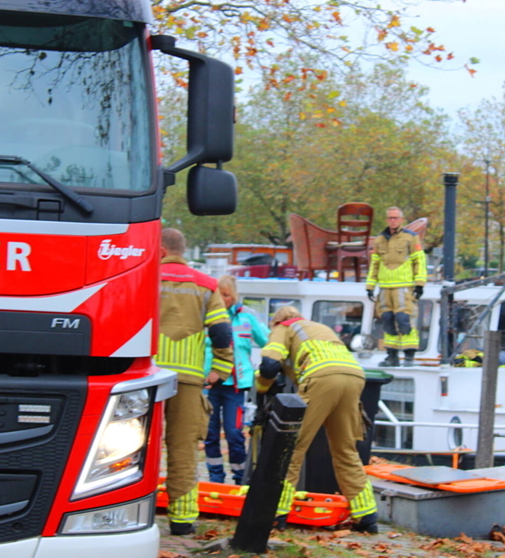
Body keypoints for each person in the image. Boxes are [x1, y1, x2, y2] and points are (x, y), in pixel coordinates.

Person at [255, 306, 378, 533]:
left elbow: (269, 365)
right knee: (346, 450)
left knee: (292, 447)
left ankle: (277, 512)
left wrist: (261, 388)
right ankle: (367, 516)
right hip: (354, 375)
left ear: (277, 321)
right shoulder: (319, 327)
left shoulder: (284, 327)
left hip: (321, 377)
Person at [156, 228, 234, 536]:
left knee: (131, 447)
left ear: (160, 250)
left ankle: (131, 508)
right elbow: (221, 332)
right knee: (184, 448)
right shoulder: (207, 285)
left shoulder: (144, 277)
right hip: (187, 380)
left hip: (142, 377)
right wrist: (221, 369)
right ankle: (183, 518)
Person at [202, 275, 270, 485]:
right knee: (210, 432)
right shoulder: (204, 316)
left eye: (227, 295)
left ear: (234, 296)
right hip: (209, 384)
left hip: (236, 386)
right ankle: (215, 477)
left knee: (234, 432)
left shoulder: (247, 317)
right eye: (219, 295)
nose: (223, 299)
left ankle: (240, 477)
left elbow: (267, 341)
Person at [365, 206, 427, 367]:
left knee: (404, 320)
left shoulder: (411, 237)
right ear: (387, 220)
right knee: (387, 320)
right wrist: (370, 285)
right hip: (385, 287)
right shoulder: (379, 240)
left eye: (395, 218)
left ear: (401, 219)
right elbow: (375, 264)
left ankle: (409, 356)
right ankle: (391, 356)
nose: (392, 221)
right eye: (390, 218)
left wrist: (419, 284)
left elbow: (419, 261)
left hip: (404, 287)